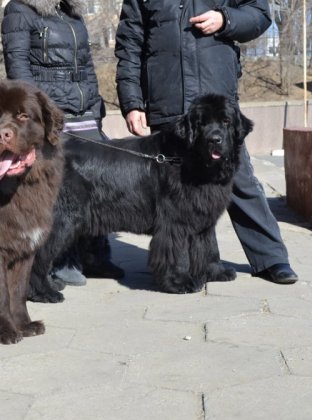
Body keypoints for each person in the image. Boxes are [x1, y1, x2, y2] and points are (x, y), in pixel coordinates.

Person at [115, 0, 298, 284]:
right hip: (168, 102)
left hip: (215, 102)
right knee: (176, 191)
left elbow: (259, 15)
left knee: (241, 181)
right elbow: (129, 42)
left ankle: (270, 258)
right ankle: (188, 265)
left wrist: (226, 19)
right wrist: (132, 102)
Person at [1, 0, 124, 287]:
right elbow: (19, 70)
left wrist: (96, 108)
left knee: (98, 185)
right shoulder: (20, 11)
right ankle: (60, 260)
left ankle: (95, 255)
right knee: (65, 191)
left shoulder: (72, 13)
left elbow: (87, 66)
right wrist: (40, 118)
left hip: (86, 115)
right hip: (54, 117)